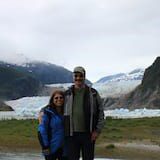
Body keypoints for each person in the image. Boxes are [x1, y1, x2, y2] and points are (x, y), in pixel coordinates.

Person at [64, 66, 104, 160]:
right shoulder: (67, 94)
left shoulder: (93, 93)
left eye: (80, 76)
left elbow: (101, 112)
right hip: (71, 134)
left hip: (88, 134)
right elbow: (55, 104)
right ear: (73, 77)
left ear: (84, 77)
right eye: (76, 76)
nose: (78, 78)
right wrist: (43, 111)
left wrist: (97, 130)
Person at [38, 90, 67, 160]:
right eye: (56, 98)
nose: (59, 99)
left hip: (64, 148)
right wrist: (45, 146)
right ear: (52, 100)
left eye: (61, 97)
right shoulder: (47, 113)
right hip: (51, 146)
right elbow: (42, 131)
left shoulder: (67, 112)